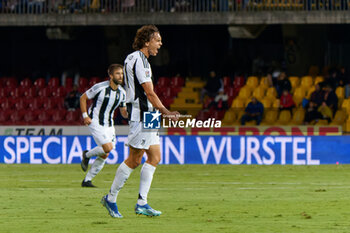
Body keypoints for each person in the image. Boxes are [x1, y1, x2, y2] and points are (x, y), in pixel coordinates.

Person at [101, 25, 179, 218]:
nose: (160, 44)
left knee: (155, 156)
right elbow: (148, 92)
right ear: (147, 41)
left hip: (148, 114)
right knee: (134, 160)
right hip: (143, 114)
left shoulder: (133, 58)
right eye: (157, 40)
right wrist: (165, 111)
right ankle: (110, 198)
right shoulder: (140, 61)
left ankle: (142, 203)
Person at [80, 64, 128, 187]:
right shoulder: (100, 87)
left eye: (122, 73)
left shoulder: (122, 93)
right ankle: (86, 155)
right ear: (111, 75)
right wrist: (85, 116)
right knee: (107, 148)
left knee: (105, 153)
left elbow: (123, 113)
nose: (121, 76)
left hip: (109, 124)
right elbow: (83, 98)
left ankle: (87, 180)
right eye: (118, 73)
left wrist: (133, 114)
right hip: (95, 121)